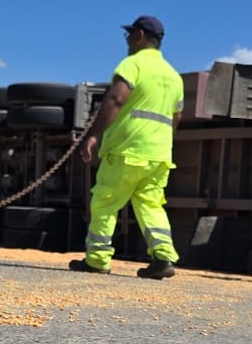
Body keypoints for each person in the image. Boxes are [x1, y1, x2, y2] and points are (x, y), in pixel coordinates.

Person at [69, 15, 184, 280]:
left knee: (106, 200)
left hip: (127, 149)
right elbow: (176, 118)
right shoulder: (173, 76)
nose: (128, 40)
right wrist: (161, 144)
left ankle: (97, 259)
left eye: (130, 35)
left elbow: (116, 98)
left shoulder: (133, 64)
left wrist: (93, 135)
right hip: (159, 154)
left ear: (140, 36)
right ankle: (163, 257)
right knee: (151, 205)